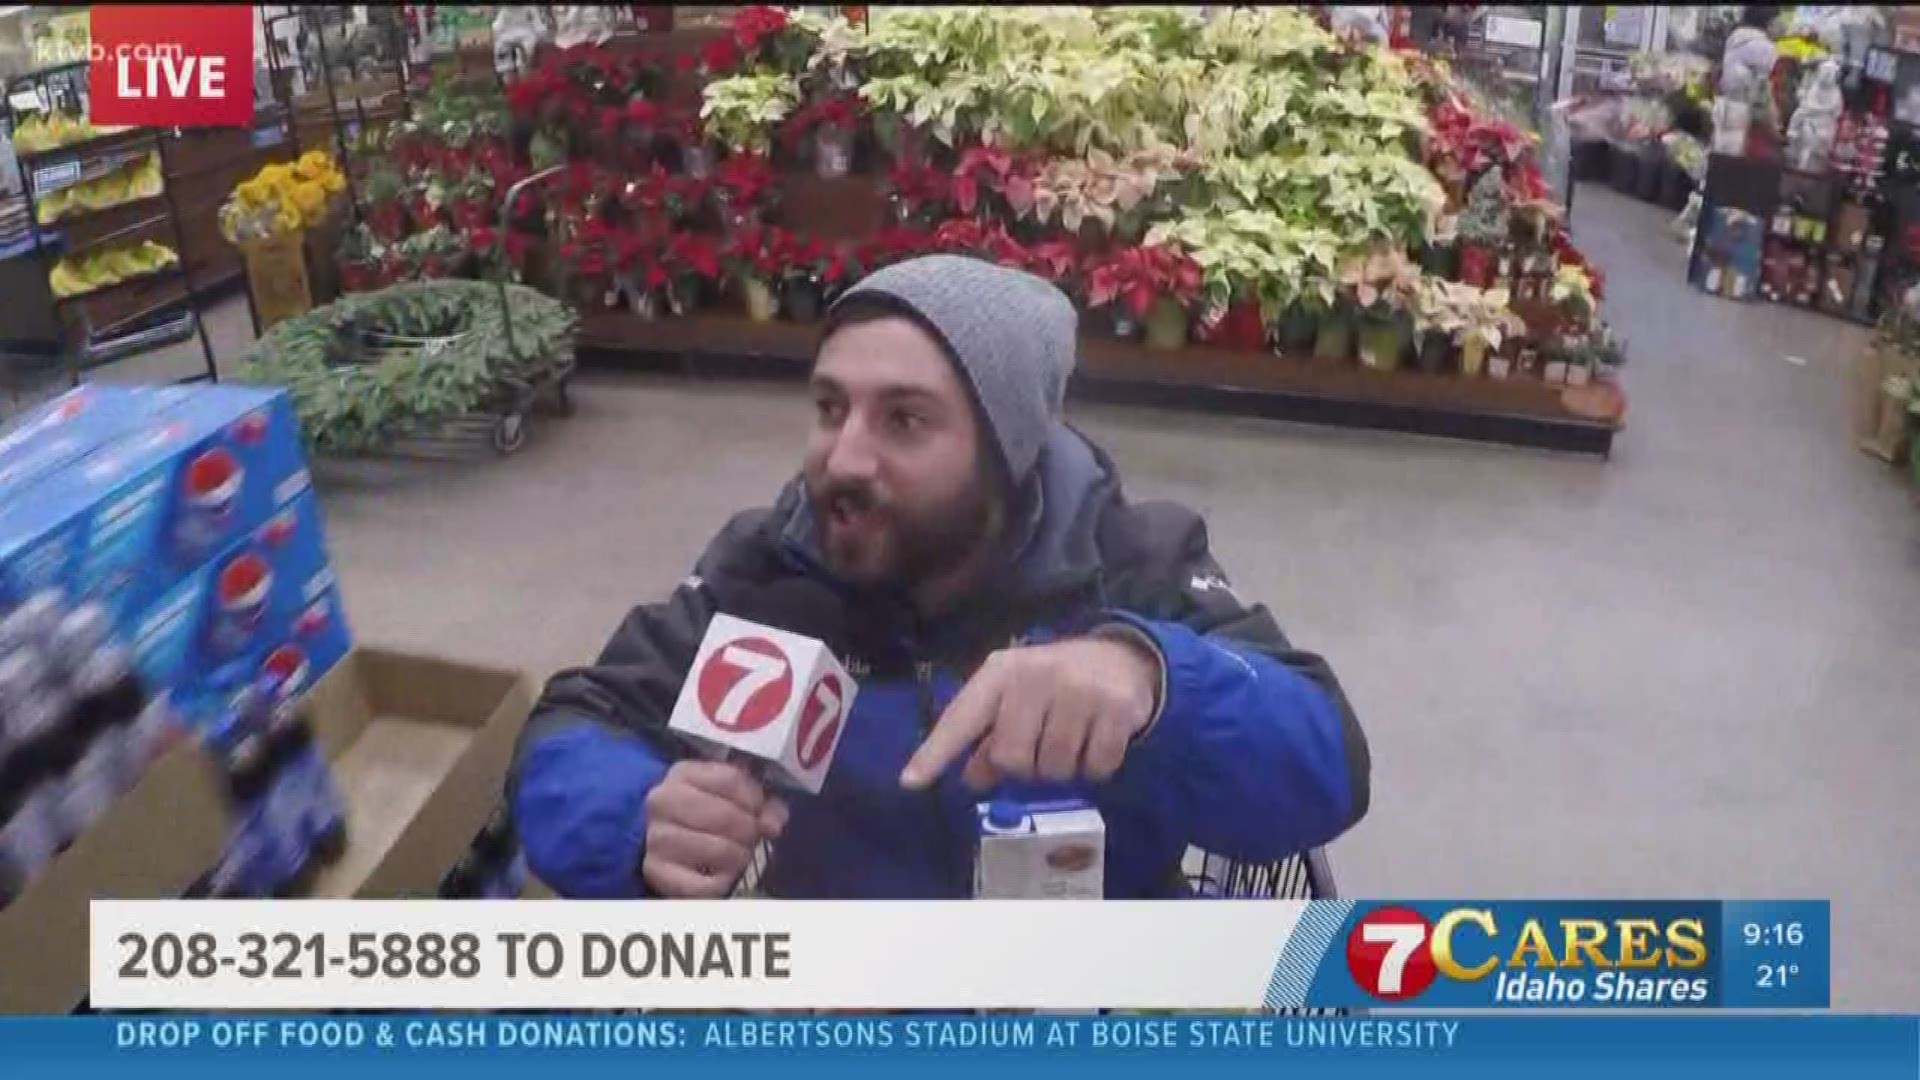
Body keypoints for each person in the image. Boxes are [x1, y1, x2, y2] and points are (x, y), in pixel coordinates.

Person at [510, 255, 1371, 899]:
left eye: (905, 420)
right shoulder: (769, 575)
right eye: (829, 408)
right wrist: (637, 815)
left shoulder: (1130, 562)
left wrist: (1154, 680)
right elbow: (578, 720)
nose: (843, 459)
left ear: (1007, 453)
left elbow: (1326, 762)